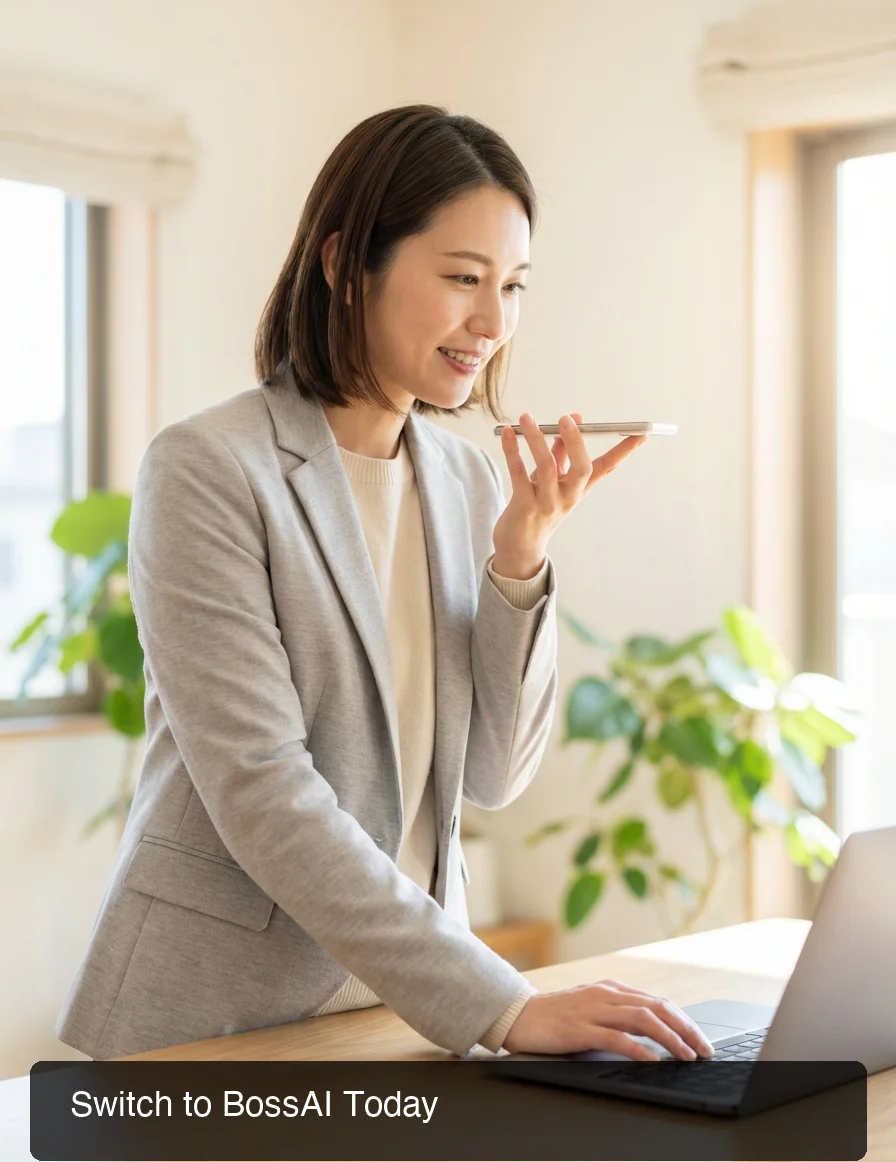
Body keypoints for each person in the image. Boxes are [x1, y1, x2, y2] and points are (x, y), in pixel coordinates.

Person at [55, 103, 712, 1064]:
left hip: (396, 1015)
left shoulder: (466, 479)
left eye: (514, 286)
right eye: (462, 279)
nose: (493, 323)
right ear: (343, 264)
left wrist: (520, 561)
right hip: (216, 1025)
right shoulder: (209, 468)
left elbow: (494, 773)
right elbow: (261, 791)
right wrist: (502, 1002)